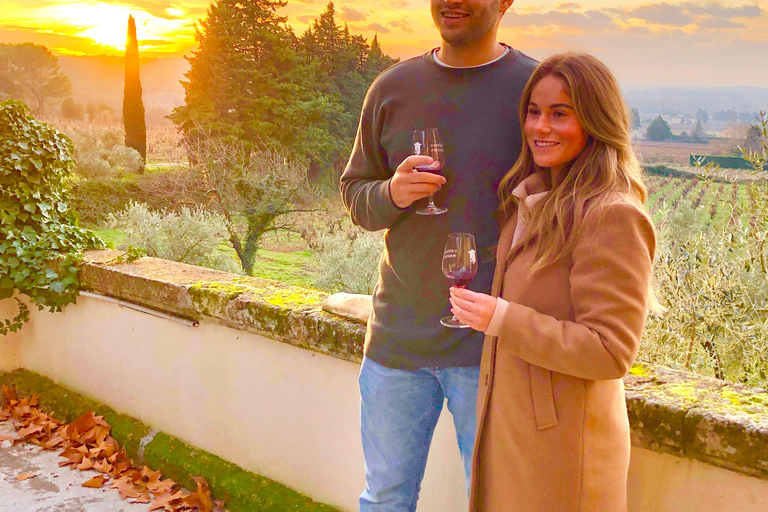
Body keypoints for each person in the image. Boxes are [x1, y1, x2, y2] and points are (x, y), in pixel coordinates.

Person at [339, 0, 537, 509]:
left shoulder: (535, 90)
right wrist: (393, 194)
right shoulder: (391, 89)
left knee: (495, 501)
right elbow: (357, 197)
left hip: (491, 346)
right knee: (385, 498)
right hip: (398, 339)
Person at [448, 52, 657, 512]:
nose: (541, 127)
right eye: (534, 111)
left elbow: (610, 351)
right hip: (514, 431)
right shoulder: (532, 197)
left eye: (560, 114)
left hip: (562, 451)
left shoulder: (612, 214)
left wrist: (503, 318)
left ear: (596, 121)